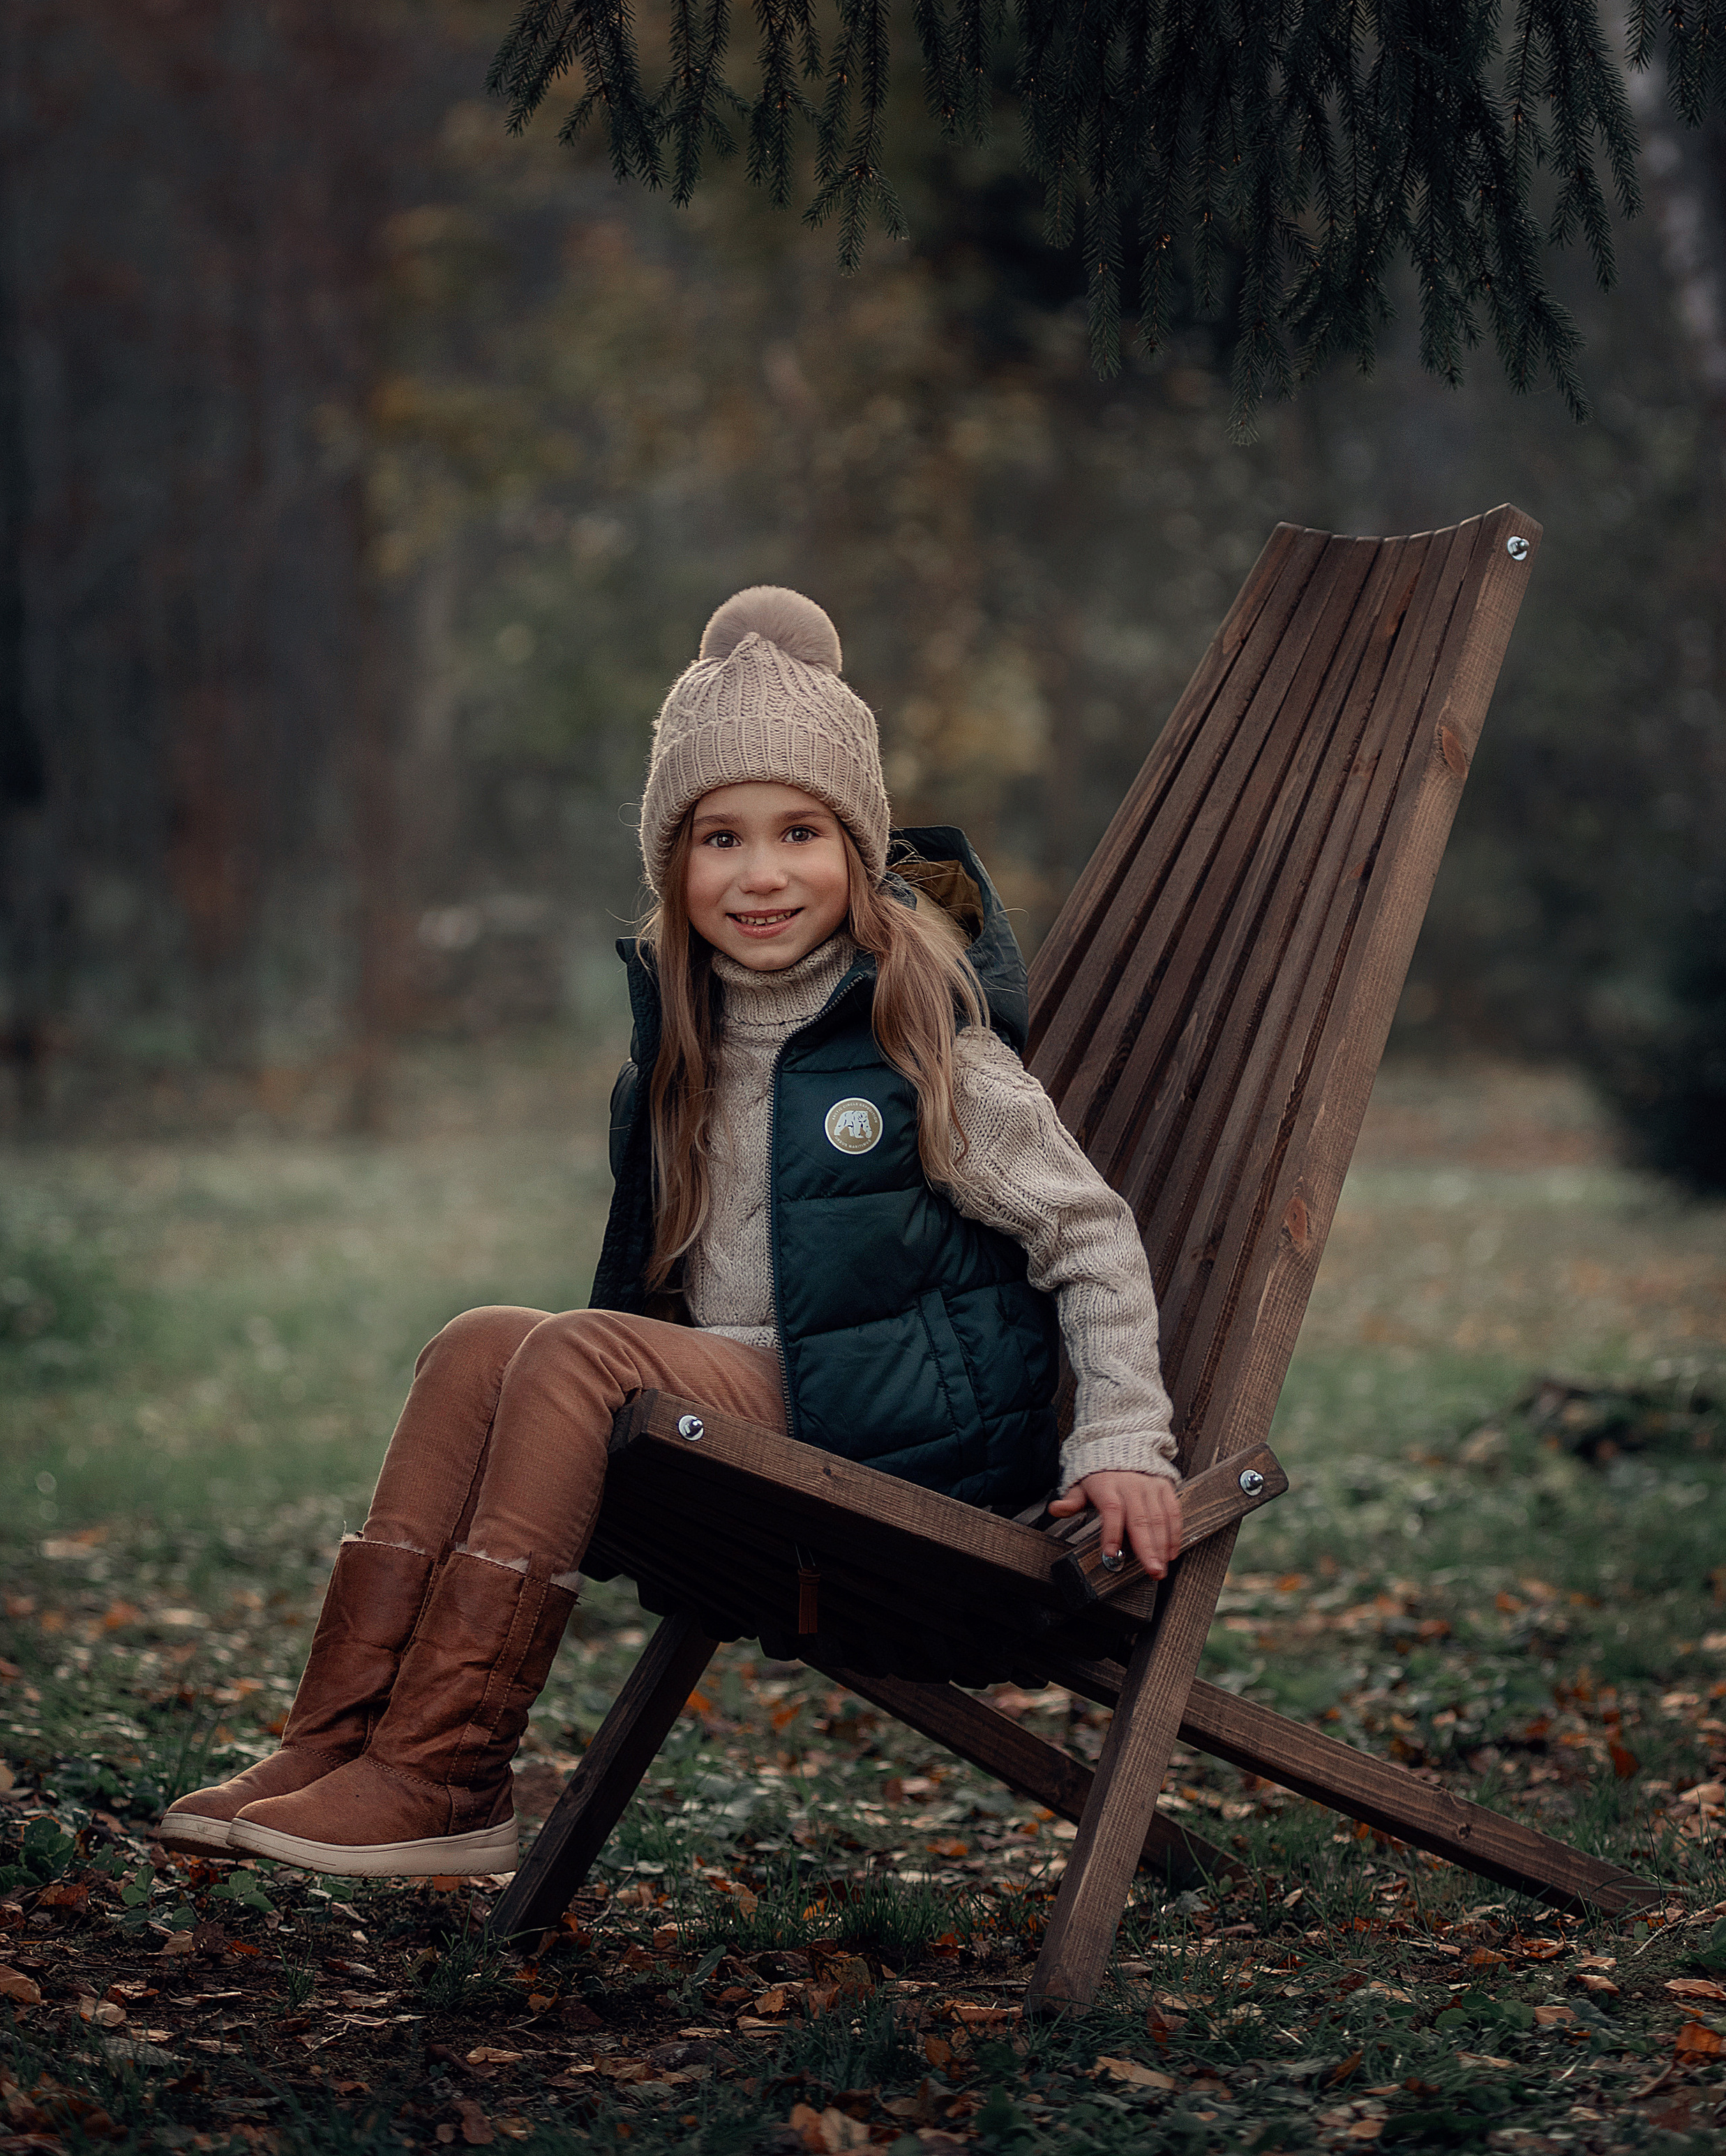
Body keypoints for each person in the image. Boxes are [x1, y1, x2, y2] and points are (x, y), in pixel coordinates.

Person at [160, 587, 1181, 1876]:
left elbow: (1090, 1237)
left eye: (801, 833)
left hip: (909, 1445)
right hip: (780, 1396)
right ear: (672, 866)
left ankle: (449, 1771)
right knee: (479, 1341)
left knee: (587, 1355)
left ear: (858, 851)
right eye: (720, 841)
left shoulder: (924, 1045)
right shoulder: (691, 1043)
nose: (760, 876)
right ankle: (343, 1736)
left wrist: (1124, 1438)